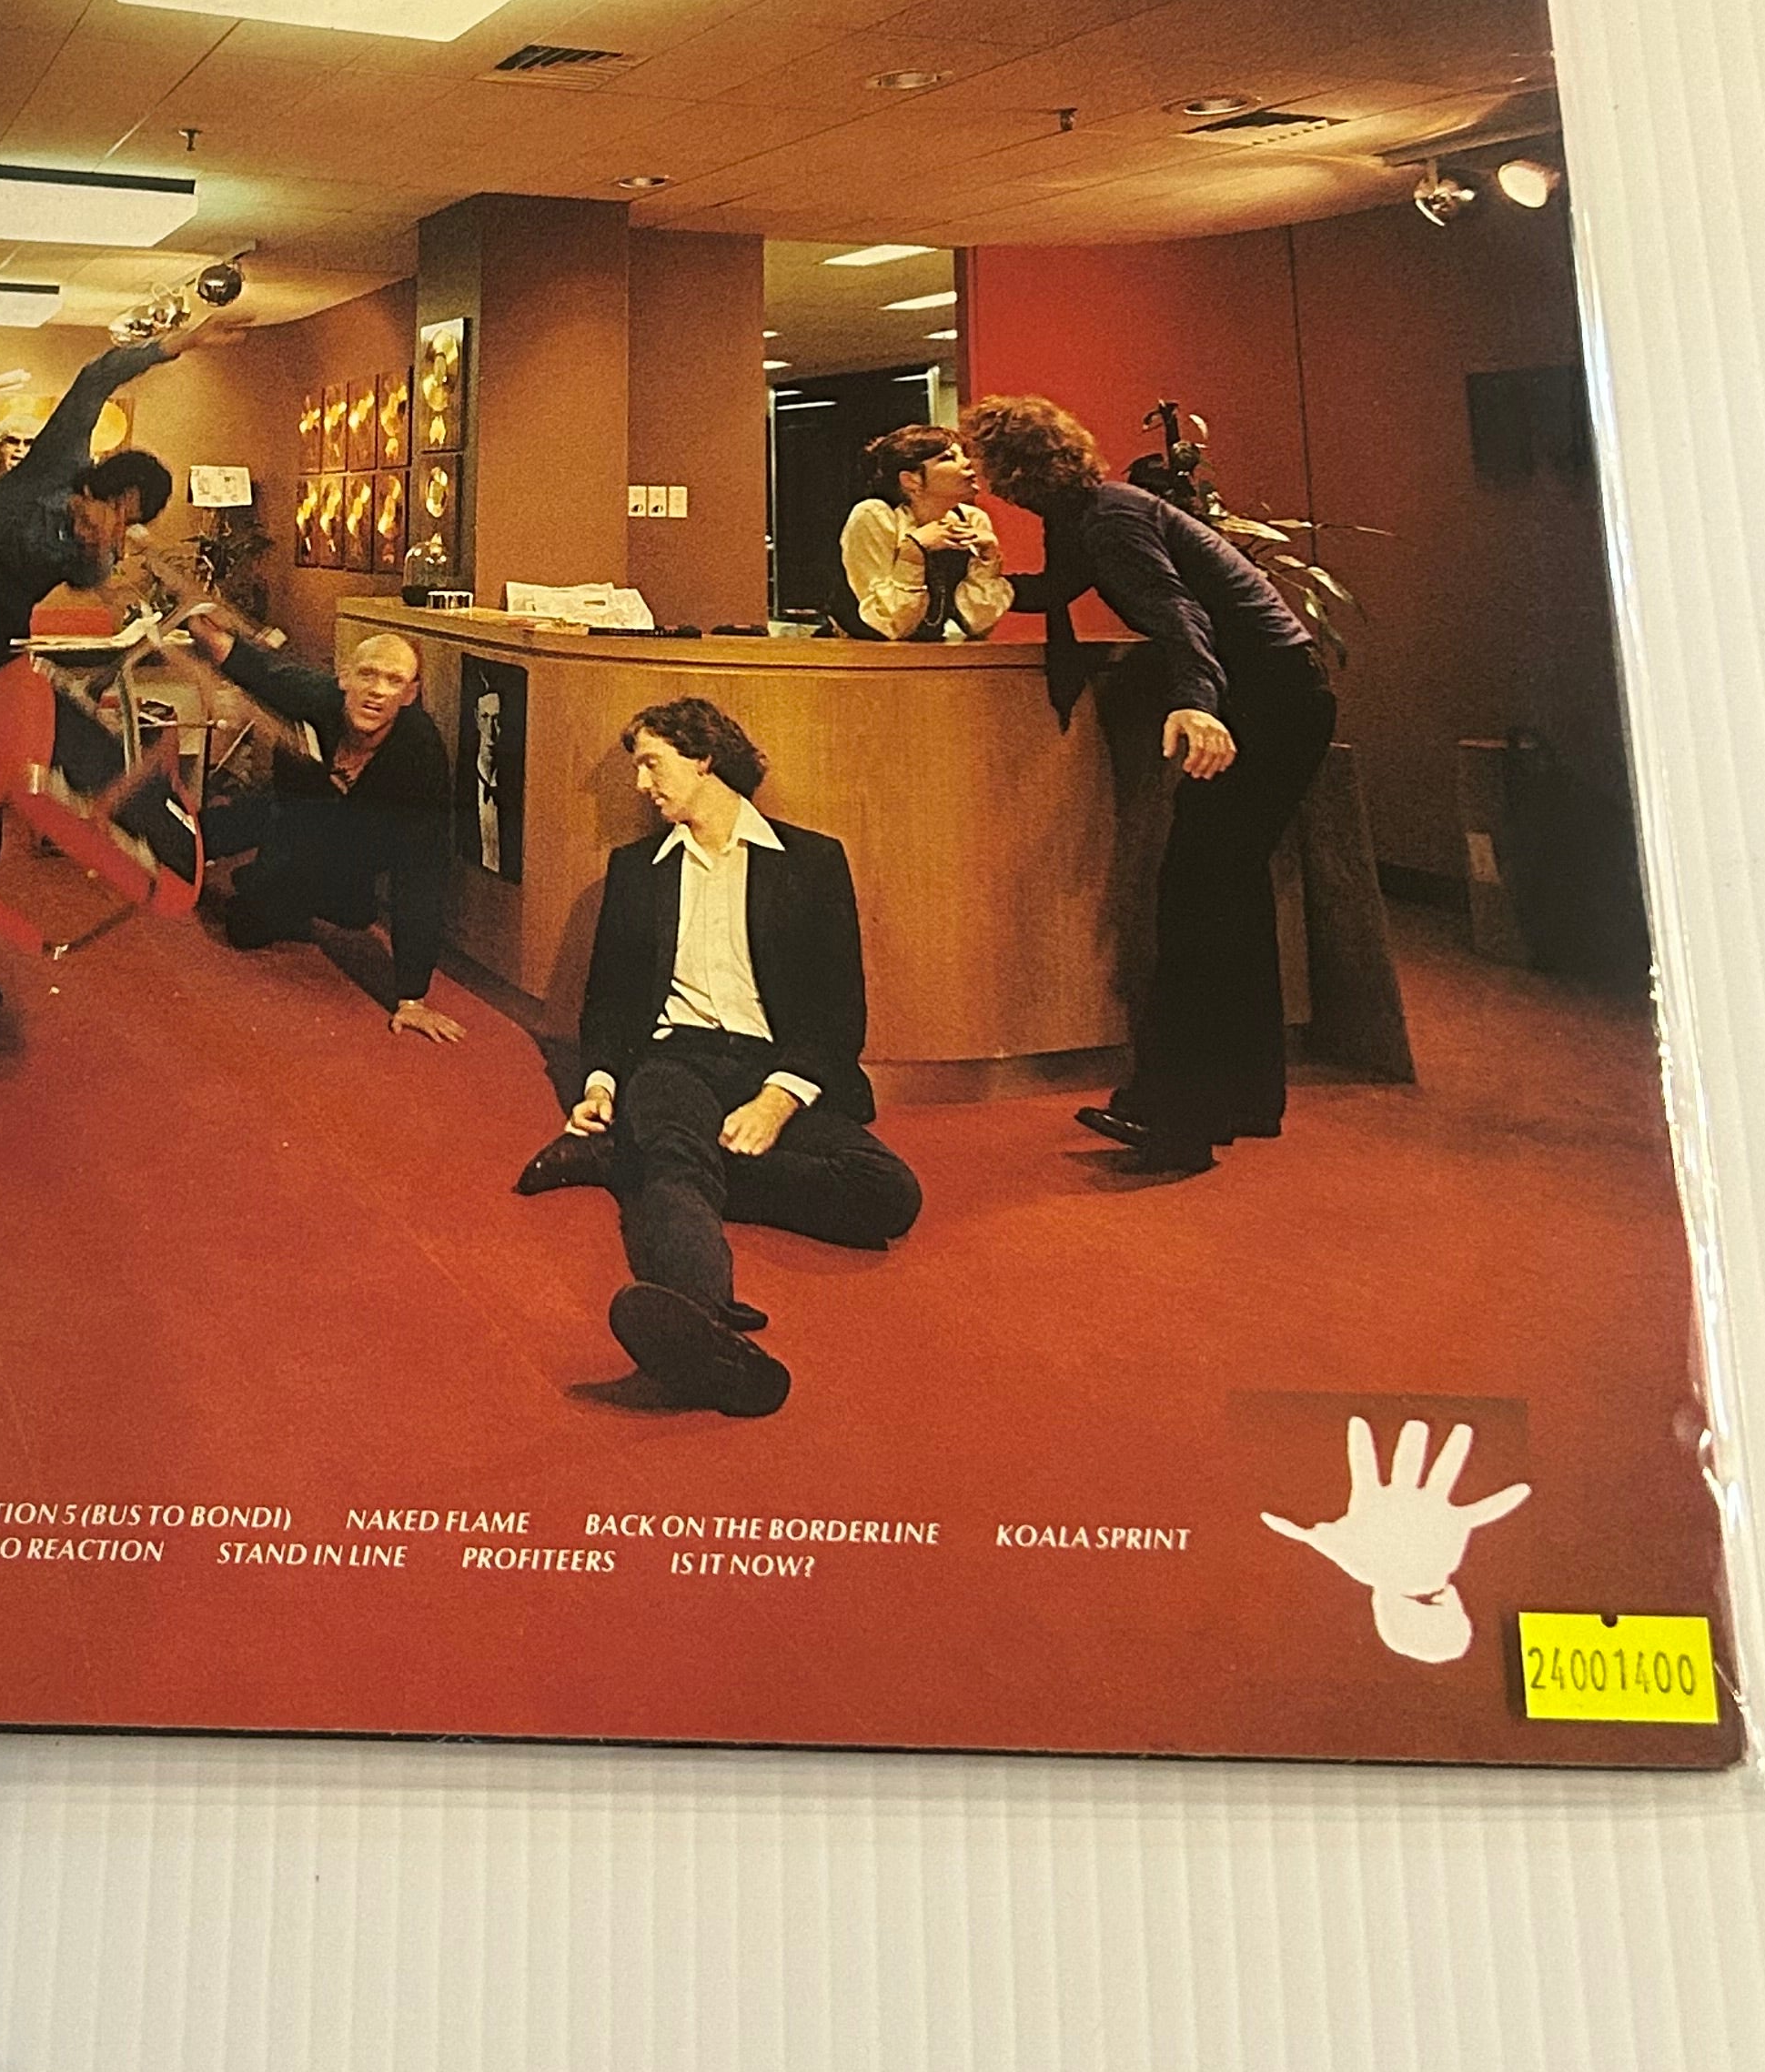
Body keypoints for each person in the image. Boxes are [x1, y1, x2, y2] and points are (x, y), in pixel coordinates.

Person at [960, 392, 1337, 1176]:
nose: (980, 478)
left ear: (1016, 469)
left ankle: (1176, 1119)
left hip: (1264, 698)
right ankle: (1239, 1100)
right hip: (1275, 689)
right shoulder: (1087, 515)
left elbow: (1179, 615)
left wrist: (1198, 706)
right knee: (1226, 898)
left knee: (1195, 900)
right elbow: (1056, 589)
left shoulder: (1110, 519)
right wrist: (981, 573)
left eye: (986, 463)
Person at [513, 699, 922, 1414]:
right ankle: (701, 1325)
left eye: (651, 764)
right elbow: (608, 1005)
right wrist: (602, 1085)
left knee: (888, 1194)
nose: (640, 784)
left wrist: (776, 1101)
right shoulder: (636, 871)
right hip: (675, 1058)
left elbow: (838, 1016)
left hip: (776, 1067)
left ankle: (629, 1160)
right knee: (678, 1160)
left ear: (704, 758)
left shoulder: (813, 862)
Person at [0, 329, 203, 1008]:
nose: (105, 526)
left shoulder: (95, 554)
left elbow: (96, 581)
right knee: (16, 740)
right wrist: (175, 343)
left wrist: (113, 561)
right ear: (101, 484)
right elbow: (95, 378)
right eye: (112, 509)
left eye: (124, 523)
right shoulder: (55, 464)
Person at [175, 618, 462, 1042]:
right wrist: (191, 618)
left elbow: (422, 873)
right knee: (246, 925)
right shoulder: (315, 695)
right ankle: (197, 845)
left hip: (357, 843)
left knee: (351, 913)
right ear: (344, 678)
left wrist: (411, 998)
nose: (377, 690)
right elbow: (252, 666)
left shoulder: (421, 753)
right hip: (294, 817)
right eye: (367, 674)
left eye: (394, 680)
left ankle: (292, 881)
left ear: (410, 695)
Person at [839, 426, 1013, 642]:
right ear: (911, 480)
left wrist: (988, 561)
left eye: (964, 455)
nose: (967, 463)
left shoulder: (971, 519)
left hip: (928, 652)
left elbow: (978, 623)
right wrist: (912, 553)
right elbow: (891, 623)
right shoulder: (875, 515)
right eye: (948, 458)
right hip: (855, 652)